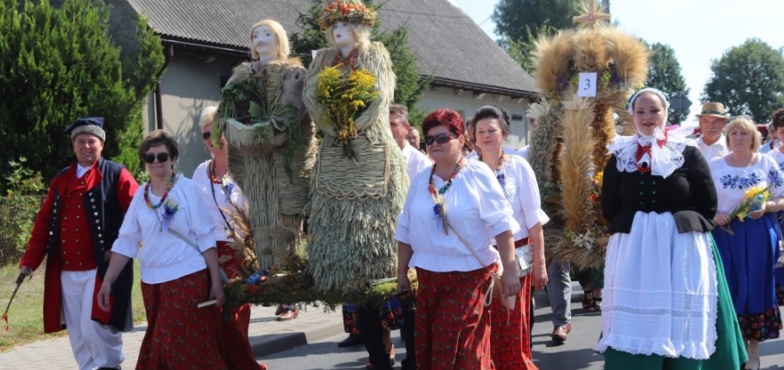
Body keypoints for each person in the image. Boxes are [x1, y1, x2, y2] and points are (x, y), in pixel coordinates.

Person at [597, 87, 747, 369]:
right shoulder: (620, 156)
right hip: (636, 249)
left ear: (666, 114)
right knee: (640, 311)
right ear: (632, 116)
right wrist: (639, 228)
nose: (648, 117)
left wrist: (678, 229)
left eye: (654, 110)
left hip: (682, 246)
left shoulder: (687, 152)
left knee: (683, 309)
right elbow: (610, 205)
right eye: (640, 111)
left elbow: (707, 202)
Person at [303, 1, 407, 368]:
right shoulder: (321, 61)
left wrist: (354, 124)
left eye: (344, 23)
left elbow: (379, 98)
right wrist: (332, 125)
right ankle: (377, 354)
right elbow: (312, 99)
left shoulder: (375, 54)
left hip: (372, 153)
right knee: (355, 280)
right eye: (332, 25)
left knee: (386, 261)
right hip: (335, 153)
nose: (338, 30)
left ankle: (408, 347)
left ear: (358, 26)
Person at [396, 108, 521, 369]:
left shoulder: (477, 174)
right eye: (430, 139)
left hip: (470, 278)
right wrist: (401, 274)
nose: (434, 144)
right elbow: (405, 231)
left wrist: (510, 271)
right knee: (433, 351)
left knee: (465, 349)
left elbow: (501, 226)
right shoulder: (420, 181)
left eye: (442, 138)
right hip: (429, 278)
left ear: (460, 139)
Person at [97, 130, 230, 369]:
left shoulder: (189, 189)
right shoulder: (141, 195)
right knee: (174, 345)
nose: (156, 162)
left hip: (188, 280)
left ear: (173, 158)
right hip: (152, 284)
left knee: (173, 344)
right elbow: (126, 241)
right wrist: (107, 283)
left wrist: (215, 283)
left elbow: (206, 238)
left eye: (162, 156)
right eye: (150, 158)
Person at [18, 117, 138, 370]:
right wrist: (29, 262)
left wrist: (120, 246)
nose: (86, 146)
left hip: (100, 270)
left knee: (95, 325)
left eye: (91, 141)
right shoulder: (61, 180)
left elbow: (140, 214)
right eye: (80, 141)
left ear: (101, 144)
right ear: (73, 145)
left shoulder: (117, 174)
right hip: (67, 271)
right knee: (78, 332)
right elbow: (43, 223)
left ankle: (109, 366)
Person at [472, 105, 548, 369]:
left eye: (491, 130)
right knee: (482, 321)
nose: (486, 135)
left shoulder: (518, 166)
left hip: (515, 254)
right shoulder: (468, 169)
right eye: (480, 131)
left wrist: (540, 264)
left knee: (511, 320)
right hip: (480, 256)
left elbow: (534, 220)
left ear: (504, 133)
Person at [710, 115, 784, 370]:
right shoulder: (716, 165)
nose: (738, 138)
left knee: (756, 288)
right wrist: (713, 214)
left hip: (758, 233)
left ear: (754, 137)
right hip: (725, 233)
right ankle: (735, 347)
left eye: (744, 133)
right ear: (727, 138)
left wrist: (766, 206)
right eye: (733, 133)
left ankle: (753, 351)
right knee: (729, 288)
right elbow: (701, 200)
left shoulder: (766, 162)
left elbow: (782, 198)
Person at [192, 107, 264, 370]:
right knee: (211, 318)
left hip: (237, 253)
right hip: (204, 254)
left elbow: (257, 212)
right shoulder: (201, 170)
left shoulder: (245, 168)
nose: (212, 138)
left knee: (234, 316)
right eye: (206, 134)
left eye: (217, 131)